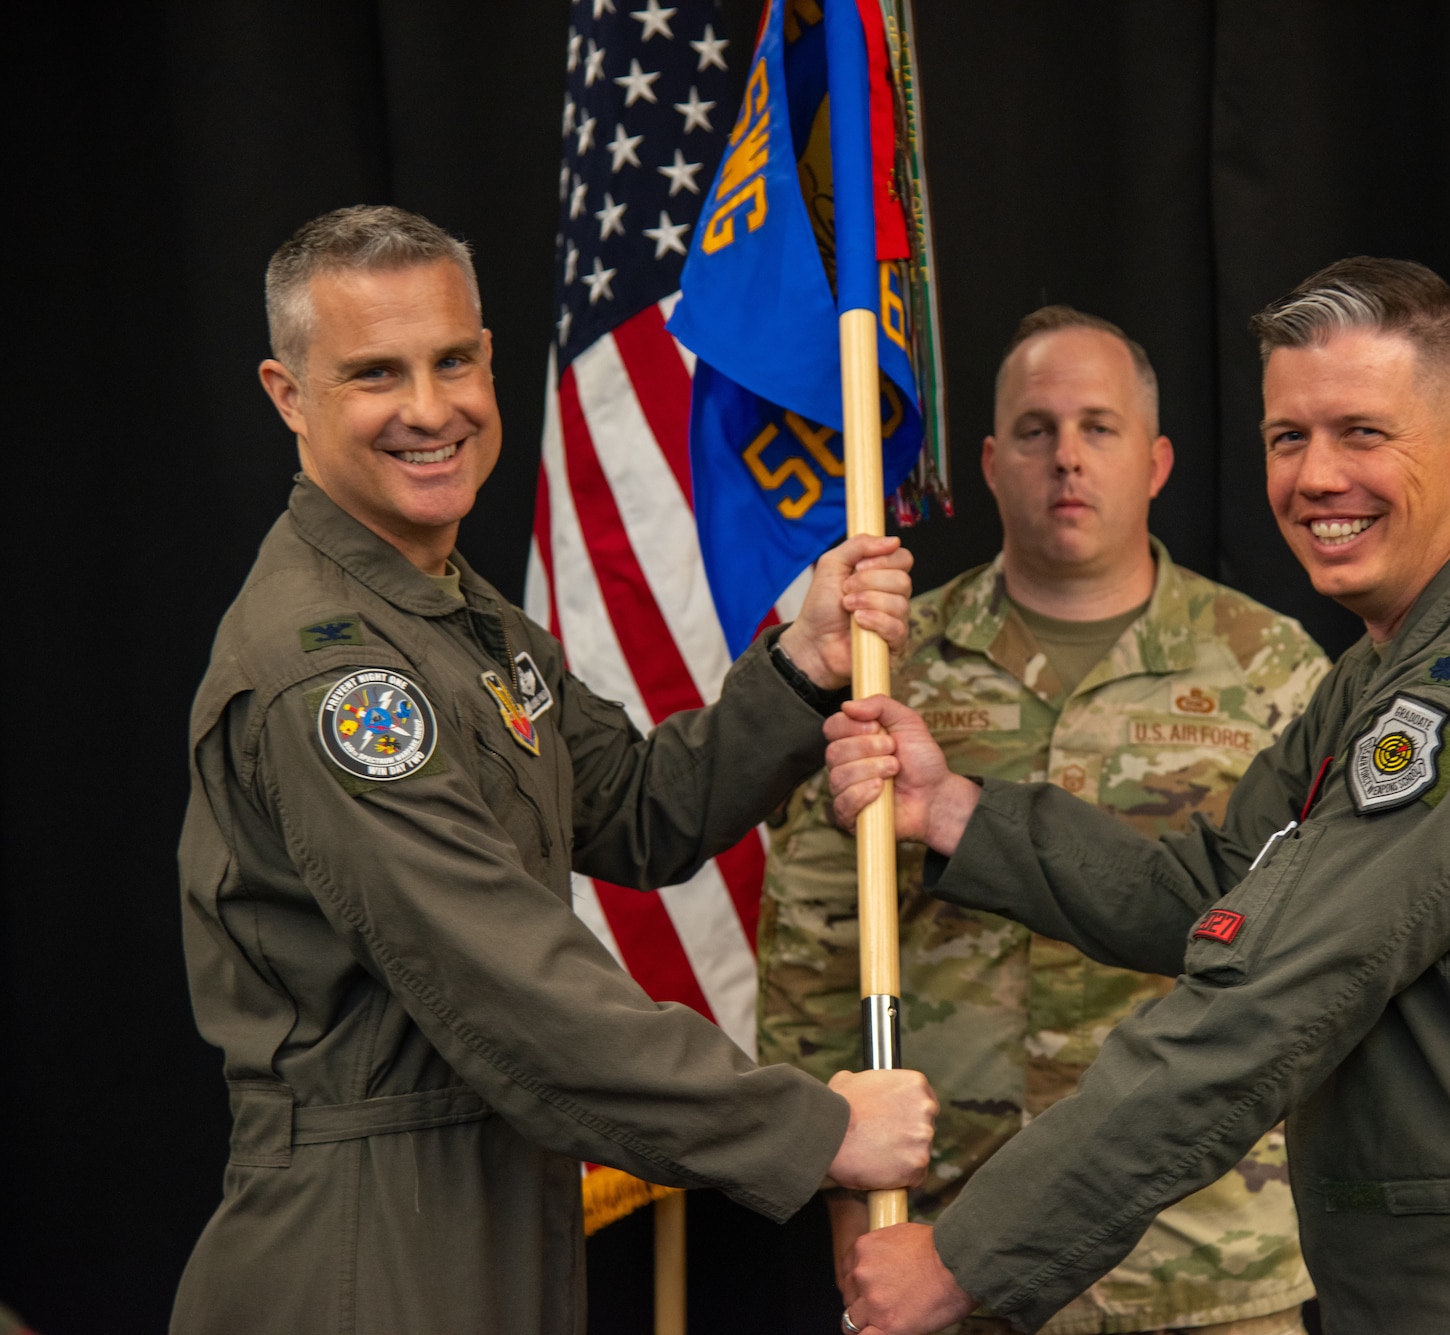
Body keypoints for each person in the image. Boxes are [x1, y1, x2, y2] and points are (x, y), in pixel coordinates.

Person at [826, 259, 1450, 1335]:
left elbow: (1258, 1010)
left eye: (1362, 433)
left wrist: (966, 1257)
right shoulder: (1389, 665)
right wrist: (957, 814)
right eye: (1286, 438)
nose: (1314, 478)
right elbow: (1214, 886)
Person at [172, 205, 938, 1334]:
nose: (430, 410)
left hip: (490, 1206)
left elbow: (635, 813)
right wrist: (812, 1132)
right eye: (375, 373)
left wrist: (801, 664)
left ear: (489, 358)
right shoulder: (328, 671)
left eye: (453, 361)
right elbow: (509, 984)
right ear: (289, 396)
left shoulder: (447, 609)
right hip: (366, 1247)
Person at [760, 307, 1327, 1335]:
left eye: (1098, 429)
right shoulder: (894, 663)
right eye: (1035, 430)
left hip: (1205, 1253)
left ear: (1155, 463)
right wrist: (843, 1199)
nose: (1066, 457)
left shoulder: (1271, 669)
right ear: (986, 461)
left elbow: (1318, 957)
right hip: (942, 1248)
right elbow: (811, 941)